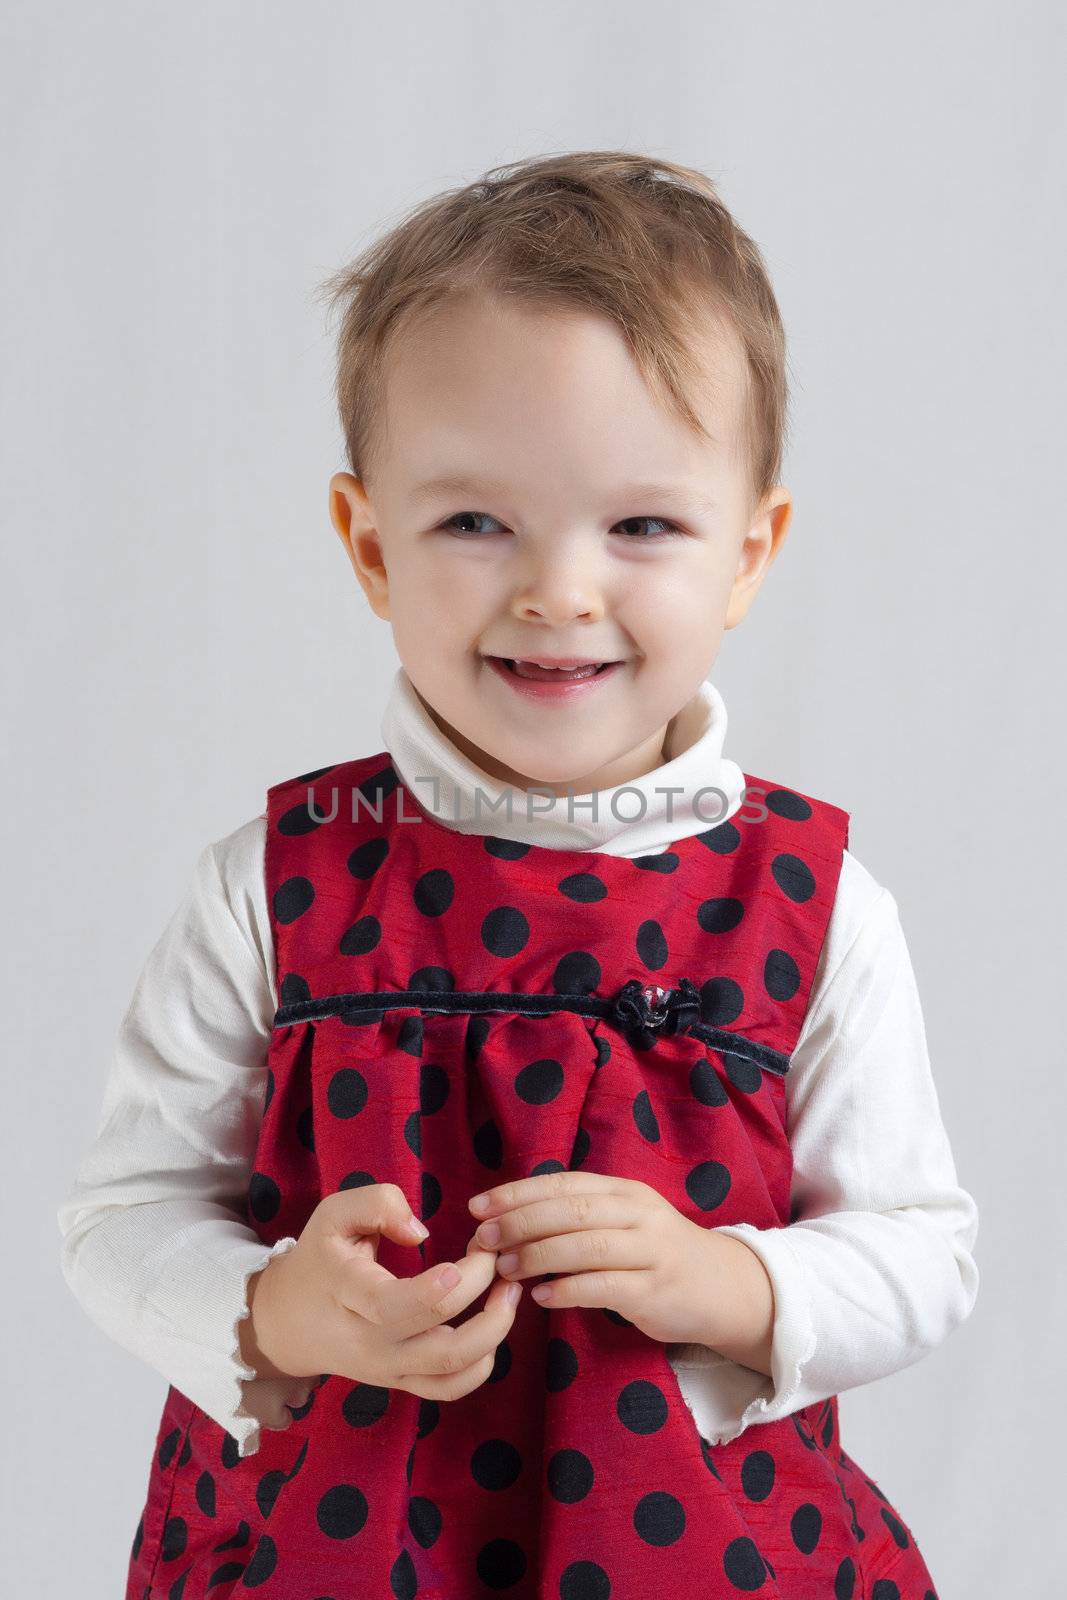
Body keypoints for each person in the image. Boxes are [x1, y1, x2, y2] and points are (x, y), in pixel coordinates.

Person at [58, 150, 979, 1599]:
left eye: (642, 526)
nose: (560, 587)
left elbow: (922, 1252)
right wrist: (272, 1308)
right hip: (331, 1553)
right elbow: (120, 1217)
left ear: (750, 554)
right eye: (475, 522)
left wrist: (726, 1282)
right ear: (369, 542)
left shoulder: (811, 907)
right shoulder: (275, 890)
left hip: (701, 1558)